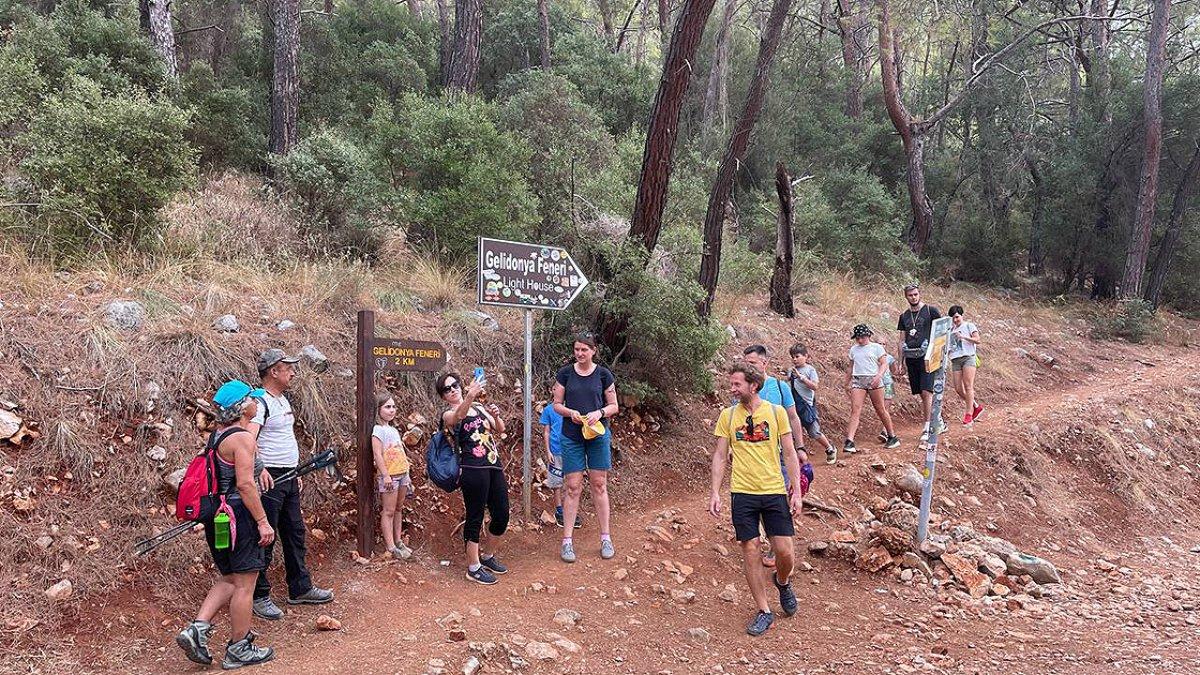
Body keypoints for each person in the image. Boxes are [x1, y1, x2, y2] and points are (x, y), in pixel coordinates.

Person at [176, 380, 276, 669]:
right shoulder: (242, 439)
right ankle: (239, 648)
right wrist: (262, 522)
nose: (256, 403)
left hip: (217, 518)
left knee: (230, 577)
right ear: (242, 407)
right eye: (252, 399)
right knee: (245, 584)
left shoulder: (217, 436)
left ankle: (197, 629)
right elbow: (245, 484)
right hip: (240, 517)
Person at [707, 364, 805, 637]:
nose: (732, 389)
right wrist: (715, 492)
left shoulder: (776, 413)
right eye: (731, 384)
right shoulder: (728, 415)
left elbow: (789, 452)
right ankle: (764, 610)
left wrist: (796, 491)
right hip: (742, 492)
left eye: (737, 384)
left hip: (773, 489)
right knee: (750, 549)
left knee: (784, 552)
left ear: (754, 385)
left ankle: (782, 581)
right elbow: (720, 455)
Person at [249, 349, 333, 621]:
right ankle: (259, 595)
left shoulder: (282, 400)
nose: (293, 372)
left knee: (294, 531)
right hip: (270, 478)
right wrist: (260, 469)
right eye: (288, 368)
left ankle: (300, 587)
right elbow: (248, 439)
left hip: (287, 475)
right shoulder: (260, 402)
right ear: (273, 371)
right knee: (266, 535)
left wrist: (294, 470)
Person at [437, 371, 510, 585]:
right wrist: (470, 395)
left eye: (455, 385)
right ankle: (473, 566)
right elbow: (458, 417)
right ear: (443, 396)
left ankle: (487, 556)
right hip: (471, 467)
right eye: (447, 389)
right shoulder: (448, 414)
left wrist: (495, 415)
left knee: (502, 513)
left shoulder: (478, 407)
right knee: (475, 516)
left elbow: (500, 429)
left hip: (493, 464)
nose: (453, 390)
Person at [741, 344, 811, 567]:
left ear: (765, 363)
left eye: (752, 363)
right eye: (745, 363)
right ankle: (773, 539)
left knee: (780, 496)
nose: (748, 367)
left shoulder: (780, 387)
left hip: (780, 453)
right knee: (760, 497)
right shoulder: (742, 390)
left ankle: (777, 542)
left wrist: (800, 447)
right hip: (753, 454)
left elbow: (793, 418)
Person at [552, 333, 619, 564]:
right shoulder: (565, 373)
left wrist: (599, 413)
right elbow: (556, 404)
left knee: (599, 484)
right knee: (572, 486)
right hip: (572, 436)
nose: (580, 353)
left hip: (597, 435)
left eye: (584, 349)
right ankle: (567, 541)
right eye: (577, 349)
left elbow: (614, 406)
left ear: (593, 351)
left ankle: (606, 538)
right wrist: (570, 412)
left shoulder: (603, 375)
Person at [895, 283, 945, 442]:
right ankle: (938, 419)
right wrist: (900, 362)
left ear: (920, 294)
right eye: (910, 295)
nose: (913, 297)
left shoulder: (931, 311)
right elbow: (901, 339)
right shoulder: (904, 316)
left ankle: (928, 427)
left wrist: (938, 354)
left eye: (915, 294)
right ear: (906, 297)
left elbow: (942, 331)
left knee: (926, 391)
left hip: (927, 357)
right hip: (911, 358)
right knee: (921, 393)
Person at [844, 325, 901, 453]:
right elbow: (850, 367)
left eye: (862, 337)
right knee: (855, 410)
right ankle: (849, 440)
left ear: (868, 336)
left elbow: (884, 363)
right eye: (857, 338)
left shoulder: (876, 347)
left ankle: (892, 436)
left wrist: (878, 376)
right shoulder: (854, 349)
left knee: (880, 409)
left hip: (874, 379)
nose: (860, 340)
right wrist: (846, 383)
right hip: (858, 380)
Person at [372, 391, 413, 560]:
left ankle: (398, 541)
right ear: (378, 409)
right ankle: (390, 546)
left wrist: (407, 473)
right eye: (387, 407)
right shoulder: (378, 430)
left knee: (398, 509)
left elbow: (401, 451)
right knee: (388, 510)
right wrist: (386, 475)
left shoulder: (394, 430)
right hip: (390, 475)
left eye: (393, 407)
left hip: (402, 473)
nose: (391, 410)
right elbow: (377, 454)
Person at [786, 344, 839, 465]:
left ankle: (830, 448)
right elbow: (788, 383)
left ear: (806, 356)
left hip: (807, 405)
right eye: (793, 357)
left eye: (797, 356)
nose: (794, 359)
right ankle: (796, 457)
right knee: (792, 431)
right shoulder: (791, 370)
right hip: (793, 405)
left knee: (814, 432)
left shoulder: (810, 370)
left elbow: (815, 386)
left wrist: (802, 378)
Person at [539, 401, 580, 528]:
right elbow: (546, 432)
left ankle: (570, 510)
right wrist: (548, 451)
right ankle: (559, 511)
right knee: (556, 482)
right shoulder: (548, 410)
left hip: (570, 450)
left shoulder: (572, 408)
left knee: (571, 482)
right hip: (555, 451)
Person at [947, 305, 984, 425]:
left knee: (968, 386)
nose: (955, 320)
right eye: (953, 318)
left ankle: (968, 414)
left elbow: (977, 340)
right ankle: (976, 406)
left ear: (961, 315)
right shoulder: (950, 330)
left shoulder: (969, 325)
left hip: (968, 357)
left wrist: (963, 337)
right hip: (955, 359)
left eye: (957, 317)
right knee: (958, 388)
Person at [874, 334, 898, 443]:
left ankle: (885, 431)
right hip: (876, 385)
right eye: (880, 343)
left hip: (888, 384)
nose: (882, 346)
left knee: (885, 408)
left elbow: (895, 371)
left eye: (884, 344)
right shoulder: (872, 357)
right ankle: (887, 431)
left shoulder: (889, 358)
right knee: (880, 409)